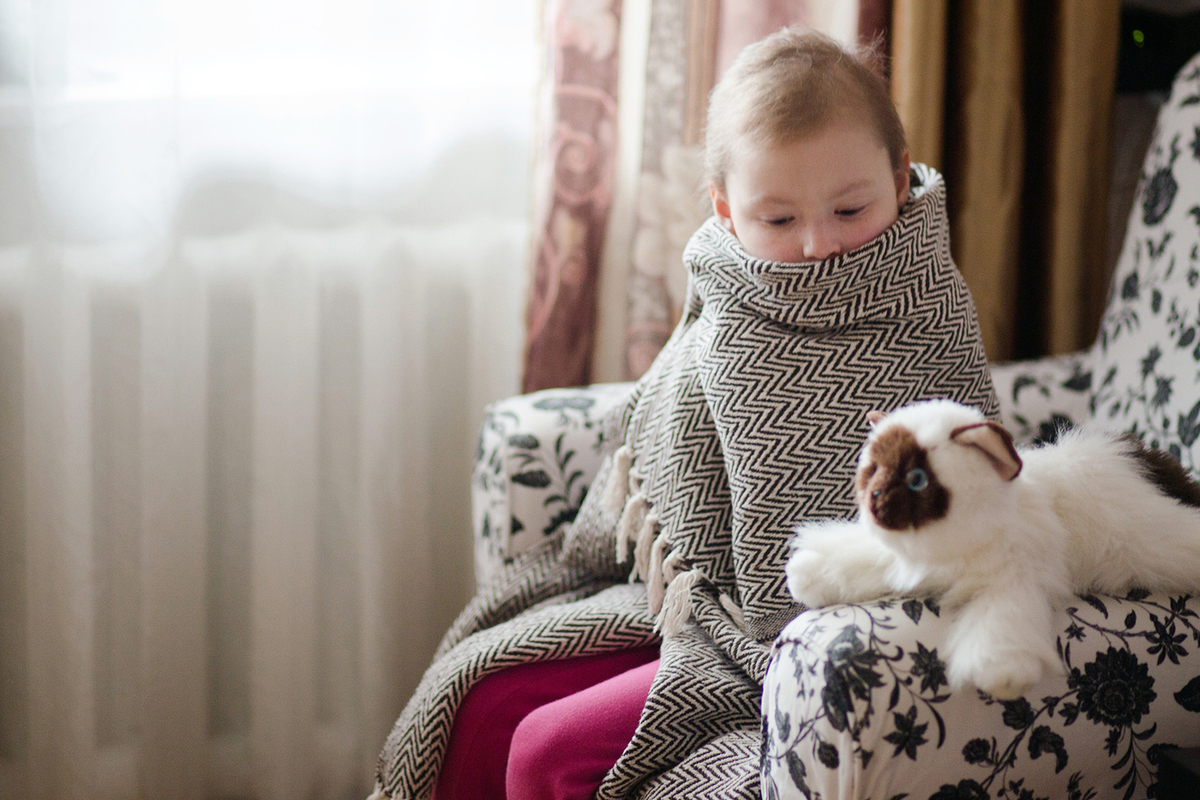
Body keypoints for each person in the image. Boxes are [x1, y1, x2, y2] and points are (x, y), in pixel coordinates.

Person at [420, 28, 929, 800]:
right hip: (693, 596)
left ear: (898, 181)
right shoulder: (729, 301)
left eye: (850, 208)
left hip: (806, 644)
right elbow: (674, 454)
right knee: (484, 704)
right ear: (726, 214)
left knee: (540, 749)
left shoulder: (925, 303)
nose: (819, 245)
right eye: (779, 220)